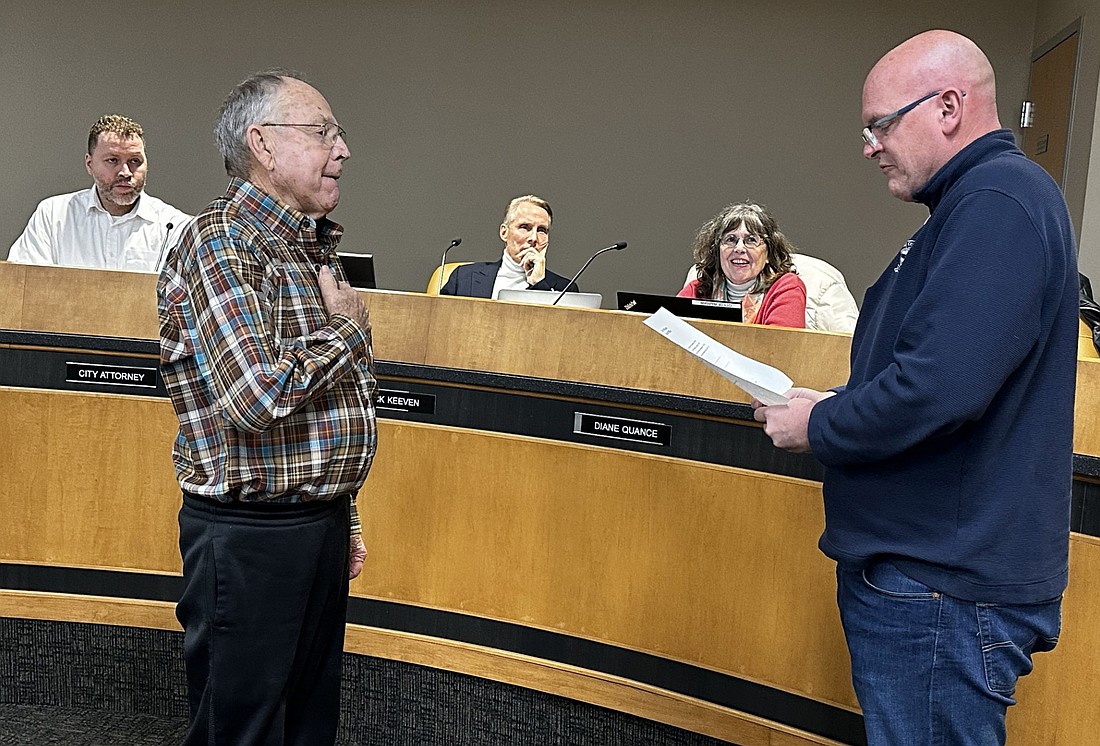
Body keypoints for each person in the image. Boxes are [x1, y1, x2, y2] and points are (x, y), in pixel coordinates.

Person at [752, 30, 1077, 745]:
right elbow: (935, 368)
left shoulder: (998, 202)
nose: (870, 146)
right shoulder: (971, 206)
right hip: (934, 575)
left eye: (880, 125)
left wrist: (821, 426)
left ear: (950, 106)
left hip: (943, 584)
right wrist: (836, 403)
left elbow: (939, 389)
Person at [157, 69, 376, 745]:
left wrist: (346, 513)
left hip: (317, 524)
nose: (342, 150)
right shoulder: (222, 241)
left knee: (308, 726)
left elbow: (333, 401)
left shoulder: (309, 244)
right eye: (323, 133)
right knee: (243, 731)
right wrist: (348, 331)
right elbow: (255, 397)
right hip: (251, 538)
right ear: (264, 144)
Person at [8, 114, 189, 272]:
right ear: (89, 164)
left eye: (135, 161)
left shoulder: (174, 227)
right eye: (112, 160)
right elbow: (22, 286)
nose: (125, 172)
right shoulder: (54, 215)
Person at [678, 202, 807, 327]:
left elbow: (779, 345)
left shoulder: (786, 287)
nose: (739, 248)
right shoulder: (696, 290)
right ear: (717, 251)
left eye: (751, 240)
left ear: (769, 253)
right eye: (731, 239)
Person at [440, 194, 577, 297]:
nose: (533, 238)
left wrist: (539, 284)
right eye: (525, 227)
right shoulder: (464, 277)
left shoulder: (566, 289)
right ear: (504, 232)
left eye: (542, 230)